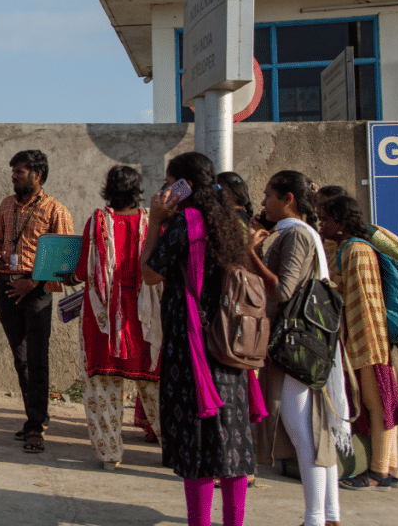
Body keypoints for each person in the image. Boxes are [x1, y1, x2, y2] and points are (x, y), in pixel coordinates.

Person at [141, 152, 254, 526]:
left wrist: (155, 221)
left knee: (199, 445)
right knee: (231, 443)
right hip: (228, 342)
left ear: (183, 185)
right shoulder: (228, 220)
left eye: (170, 181)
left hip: (191, 346)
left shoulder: (185, 223)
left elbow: (150, 273)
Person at [248, 171, 348, 526]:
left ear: (288, 198)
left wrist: (251, 255)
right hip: (310, 341)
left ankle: (315, 517)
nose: (263, 203)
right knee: (314, 429)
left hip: (296, 344)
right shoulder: (305, 235)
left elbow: (284, 290)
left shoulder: (297, 236)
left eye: (268, 195)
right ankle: (329, 514)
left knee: (301, 429)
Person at [0, 150, 74, 454]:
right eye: (13, 171)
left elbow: (64, 259)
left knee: (37, 358)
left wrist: (33, 282)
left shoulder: (56, 211)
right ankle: (34, 417)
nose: (14, 176)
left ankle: (36, 426)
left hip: (36, 292)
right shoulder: (6, 204)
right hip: (6, 286)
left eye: (20, 171)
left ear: (37, 175)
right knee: (21, 356)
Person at [74, 165, 160, 470]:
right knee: (156, 387)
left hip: (103, 319)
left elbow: (82, 268)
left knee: (102, 388)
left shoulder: (97, 223)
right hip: (145, 318)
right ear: (138, 190)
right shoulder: (153, 223)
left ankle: (110, 455)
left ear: (108, 189)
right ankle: (175, 450)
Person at [321, 195, 398, 492]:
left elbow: (358, 302)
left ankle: (377, 471)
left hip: (367, 342)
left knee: (377, 405)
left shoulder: (355, 251)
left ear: (341, 223)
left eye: (325, 219)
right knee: (380, 404)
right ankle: (391, 469)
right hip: (370, 341)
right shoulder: (354, 247)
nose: (322, 225)